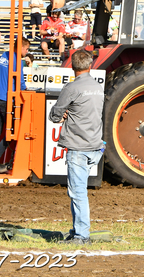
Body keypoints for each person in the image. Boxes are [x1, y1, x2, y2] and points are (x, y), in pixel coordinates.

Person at [49, 50, 104, 245]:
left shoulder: (72, 87)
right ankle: (77, 231)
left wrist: (61, 115)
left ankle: (81, 235)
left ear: (72, 67)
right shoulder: (98, 87)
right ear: (90, 66)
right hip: (95, 146)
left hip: (78, 146)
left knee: (78, 192)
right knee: (78, 191)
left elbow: (55, 115)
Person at [0, 37, 30, 174]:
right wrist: (26, 90)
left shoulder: (5, 55)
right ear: (21, 47)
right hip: (7, 98)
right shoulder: (18, 61)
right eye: (26, 48)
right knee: (11, 132)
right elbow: (20, 81)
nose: (27, 51)